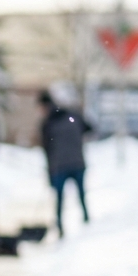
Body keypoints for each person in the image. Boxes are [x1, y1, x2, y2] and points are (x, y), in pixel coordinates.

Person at [38, 90, 92, 237]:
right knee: (81, 194)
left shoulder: (48, 123)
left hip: (59, 165)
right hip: (77, 162)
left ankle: (60, 226)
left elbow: (47, 149)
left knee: (60, 198)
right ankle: (86, 220)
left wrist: (49, 170)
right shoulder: (73, 116)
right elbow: (90, 128)